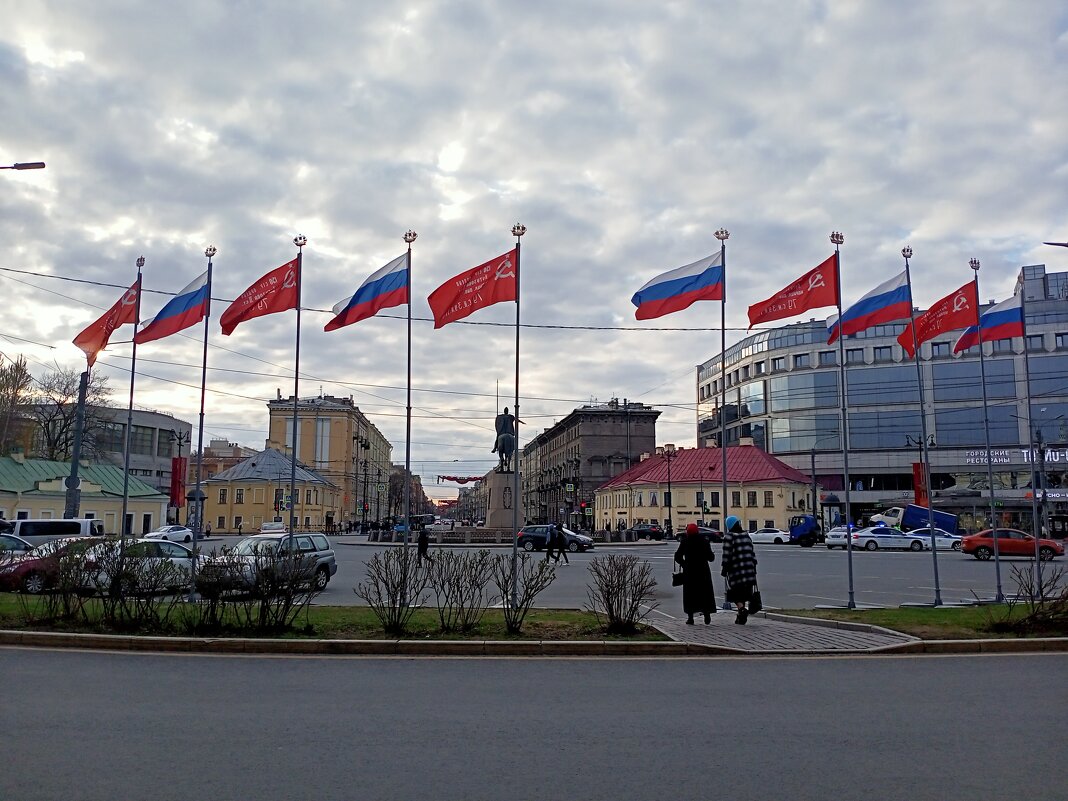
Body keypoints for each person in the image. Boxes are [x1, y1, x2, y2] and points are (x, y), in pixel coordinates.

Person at [674, 522, 716, 624]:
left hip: (690, 571)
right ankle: (707, 614)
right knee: (705, 593)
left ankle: (690, 618)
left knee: (690, 595)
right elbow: (711, 558)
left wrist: (684, 564)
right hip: (703, 571)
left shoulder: (685, 541)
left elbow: (677, 556)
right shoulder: (704, 541)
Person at [721, 515, 758, 625]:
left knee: (735, 592)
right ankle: (740, 616)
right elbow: (752, 553)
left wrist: (724, 568)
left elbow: (726, 554)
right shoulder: (746, 535)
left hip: (736, 571)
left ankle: (742, 610)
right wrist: (753, 567)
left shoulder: (729, 537)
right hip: (749, 570)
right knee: (746, 592)